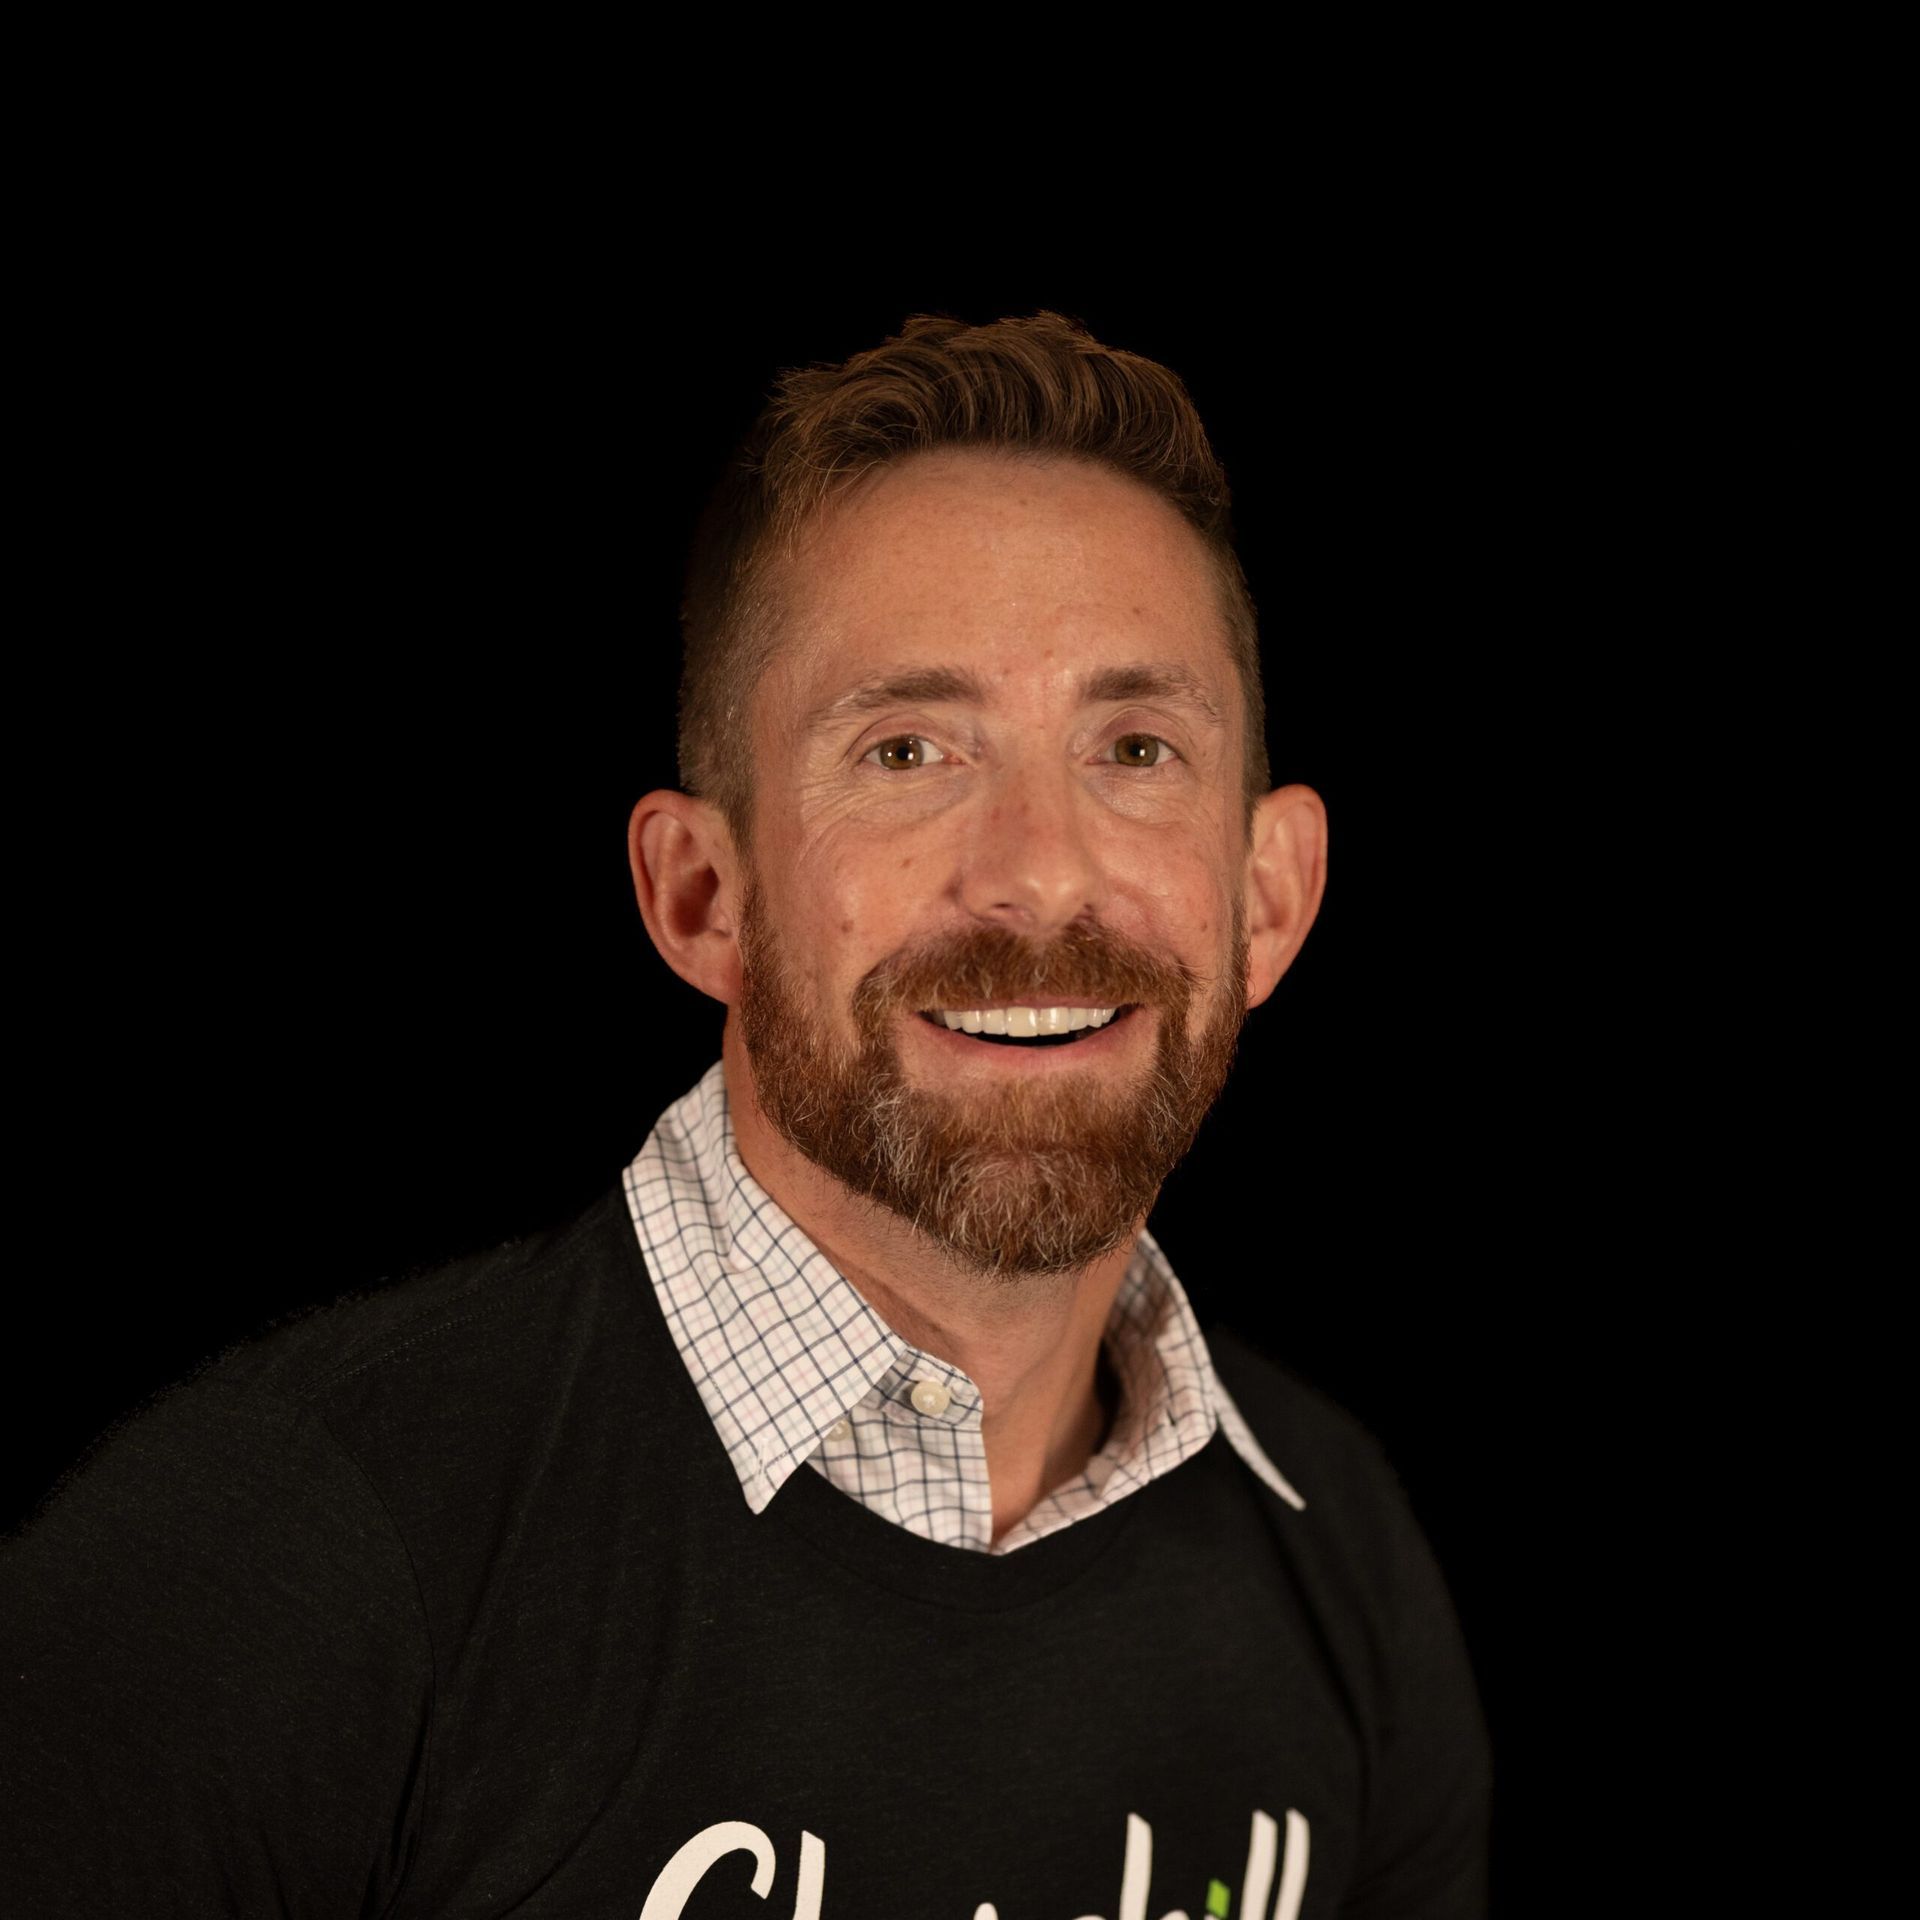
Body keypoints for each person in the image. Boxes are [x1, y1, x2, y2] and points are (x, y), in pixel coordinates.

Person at [2, 312, 1493, 1917]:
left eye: (1137, 749)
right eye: (908, 749)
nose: (1042, 870)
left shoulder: (1344, 1562)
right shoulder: (261, 1574)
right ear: (702, 893)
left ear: (1269, 900)